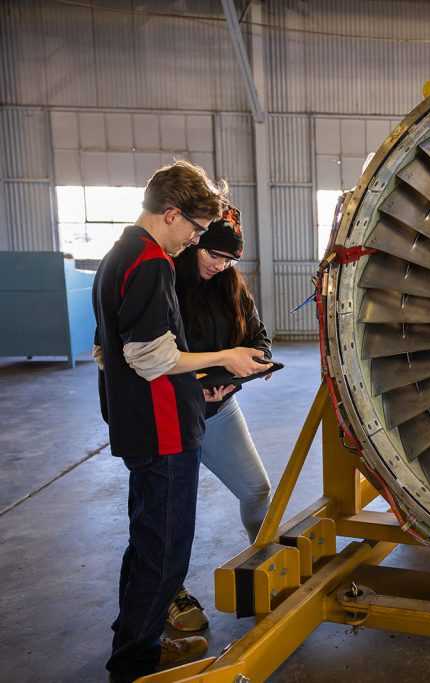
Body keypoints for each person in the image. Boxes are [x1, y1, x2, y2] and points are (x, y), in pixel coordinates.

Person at [92, 161, 268, 683]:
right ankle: (137, 666)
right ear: (172, 215)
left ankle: (135, 643)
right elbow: (151, 357)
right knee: (164, 554)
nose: (192, 241)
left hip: (141, 426)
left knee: (147, 542)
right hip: (162, 427)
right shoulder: (150, 264)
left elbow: (114, 351)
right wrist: (228, 359)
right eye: (194, 231)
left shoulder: (120, 253)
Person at [165, 206, 273, 633]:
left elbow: (260, 342)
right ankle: (169, 592)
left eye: (229, 259)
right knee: (172, 512)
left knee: (256, 489)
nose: (219, 264)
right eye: (213, 253)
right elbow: (155, 358)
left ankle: (264, 562)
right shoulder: (167, 282)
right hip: (174, 413)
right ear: (195, 242)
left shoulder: (232, 288)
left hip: (220, 409)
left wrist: (238, 378)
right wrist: (195, 386)